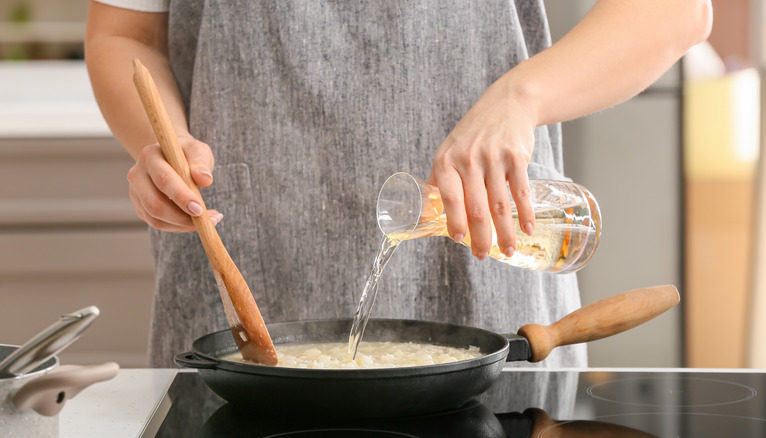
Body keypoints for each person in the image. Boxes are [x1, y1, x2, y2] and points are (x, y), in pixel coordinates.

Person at [85, 0, 712, 368]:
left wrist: (522, 98)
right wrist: (165, 144)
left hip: (486, 268)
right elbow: (125, 33)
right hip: (243, 262)